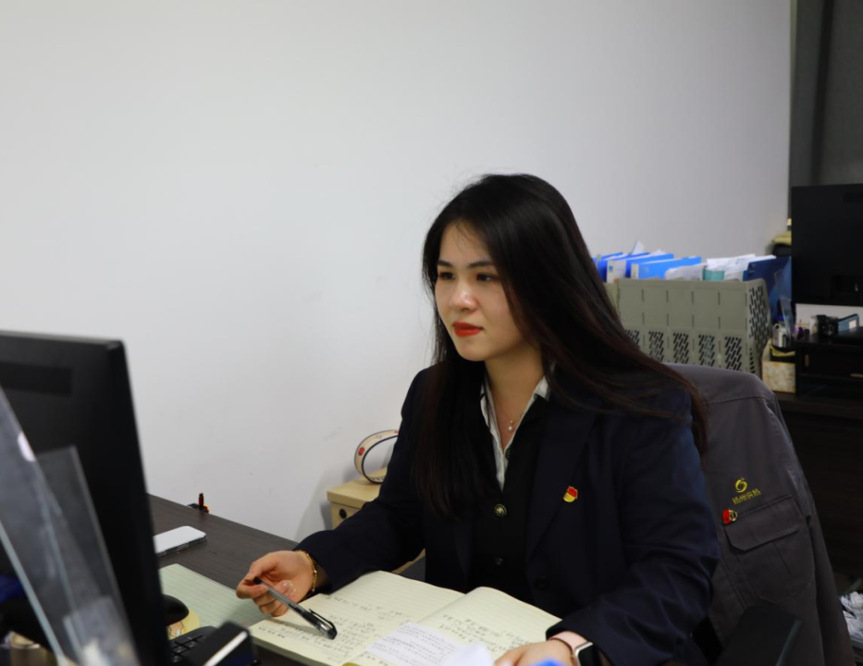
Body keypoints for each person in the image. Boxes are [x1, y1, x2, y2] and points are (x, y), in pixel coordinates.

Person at [236, 174, 719, 665]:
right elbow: (400, 516)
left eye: (485, 277)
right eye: (446, 276)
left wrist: (570, 649)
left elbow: (677, 571)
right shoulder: (434, 394)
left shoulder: (640, 407)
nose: (458, 299)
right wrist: (313, 563)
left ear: (549, 282)